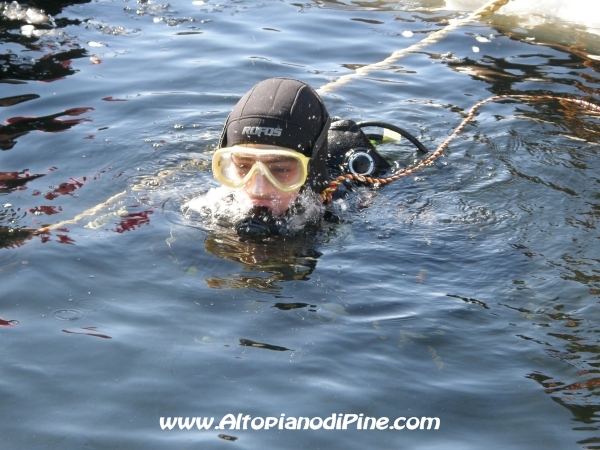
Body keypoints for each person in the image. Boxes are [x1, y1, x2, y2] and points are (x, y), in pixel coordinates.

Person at [212, 77, 425, 238]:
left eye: (280, 169)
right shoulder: (216, 204)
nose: (258, 189)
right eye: (242, 165)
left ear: (310, 170)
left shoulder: (345, 204)